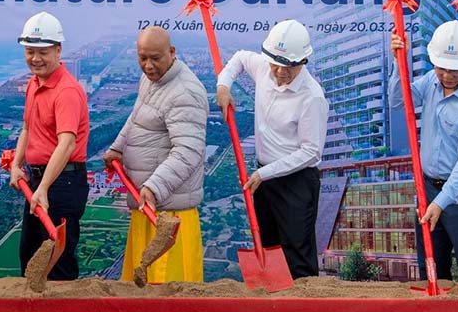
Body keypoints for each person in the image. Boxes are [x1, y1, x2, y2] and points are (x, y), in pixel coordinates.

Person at [215, 20, 329, 279]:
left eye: (287, 66)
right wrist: (224, 86)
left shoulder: (312, 96)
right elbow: (240, 59)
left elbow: (311, 151)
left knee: (297, 252)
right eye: (275, 63)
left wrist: (265, 174)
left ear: (303, 61)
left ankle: (302, 310)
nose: (279, 72)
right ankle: (272, 307)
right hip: (263, 178)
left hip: (295, 182)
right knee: (269, 245)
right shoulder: (264, 69)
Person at [390, 20, 458, 284]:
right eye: (441, 68)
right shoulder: (431, 82)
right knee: (432, 268)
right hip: (428, 188)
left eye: (455, 70)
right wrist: (397, 63)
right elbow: (397, 101)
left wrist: (441, 202)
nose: (447, 75)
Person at [104, 26, 207, 283]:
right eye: (142, 58)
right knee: (139, 287)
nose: (148, 66)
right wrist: (118, 146)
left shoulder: (185, 92)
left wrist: (155, 186)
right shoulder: (152, 80)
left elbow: (188, 151)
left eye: (155, 58)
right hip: (147, 204)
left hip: (170, 217)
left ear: (172, 52)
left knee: (166, 287)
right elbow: (138, 117)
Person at [7, 12, 90, 281]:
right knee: (30, 256)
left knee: (59, 263)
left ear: (58, 50)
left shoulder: (67, 91)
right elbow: (28, 128)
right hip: (39, 181)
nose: (35, 58)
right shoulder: (34, 83)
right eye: (30, 51)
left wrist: (42, 189)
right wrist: (17, 165)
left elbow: (66, 144)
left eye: (42, 52)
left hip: (63, 184)